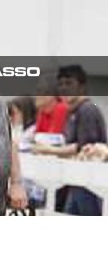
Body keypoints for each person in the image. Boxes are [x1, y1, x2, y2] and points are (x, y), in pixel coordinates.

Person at [33, 64, 107, 215]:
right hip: (76, 181)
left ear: (82, 87)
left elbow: (85, 148)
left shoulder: (87, 110)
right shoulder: (74, 111)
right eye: (60, 84)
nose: (64, 88)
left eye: (69, 83)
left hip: (89, 184)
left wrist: (47, 149)